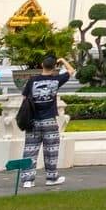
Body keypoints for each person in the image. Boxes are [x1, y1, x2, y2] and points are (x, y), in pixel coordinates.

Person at [18, 52, 74, 188]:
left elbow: (24, 98)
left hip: (33, 120)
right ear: (54, 67)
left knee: (30, 149)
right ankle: (51, 177)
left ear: (42, 65)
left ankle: (28, 179)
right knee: (51, 150)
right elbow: (71, 71)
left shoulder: (32, 80)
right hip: (49, 120)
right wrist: (62, 60)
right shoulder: (56, 80)